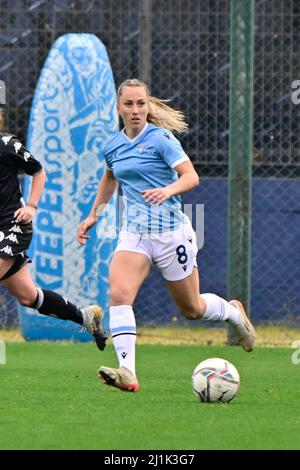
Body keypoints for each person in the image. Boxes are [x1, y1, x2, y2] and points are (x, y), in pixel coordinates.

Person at [77, 78, 256, 392]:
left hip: (171, 233)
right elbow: (110, 177)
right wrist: (94, 213)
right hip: (134, 234)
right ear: (118, 108)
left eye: (141, 103)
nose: (135, 110)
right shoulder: (113, 145)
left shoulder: (161, 139)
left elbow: (191, 176)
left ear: (148, 105)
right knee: (119, 295)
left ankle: (233, 312)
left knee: (192, 310)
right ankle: (127, 371)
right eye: (129, 104)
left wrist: (167, 190)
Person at [0, 107, 106, 350]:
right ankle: (86, 317)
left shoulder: (6, 145)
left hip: (12, 227)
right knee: (29, 296)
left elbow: (38, 170)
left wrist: (32, 206)